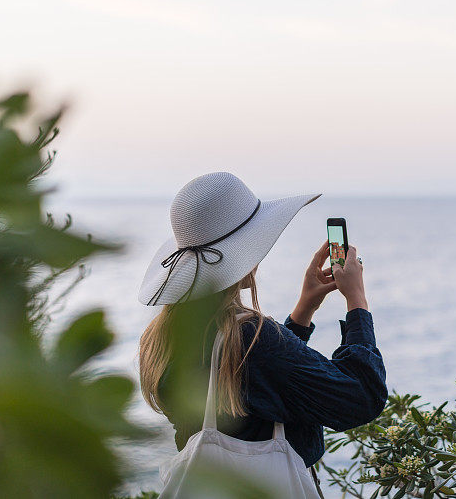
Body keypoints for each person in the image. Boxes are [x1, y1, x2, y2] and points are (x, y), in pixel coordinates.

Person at [137, 172, 387, 496]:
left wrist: (303, 310)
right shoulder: (253, 338)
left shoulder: (161, 338)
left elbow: (259, 381)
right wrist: (357, 301)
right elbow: (362, 397)